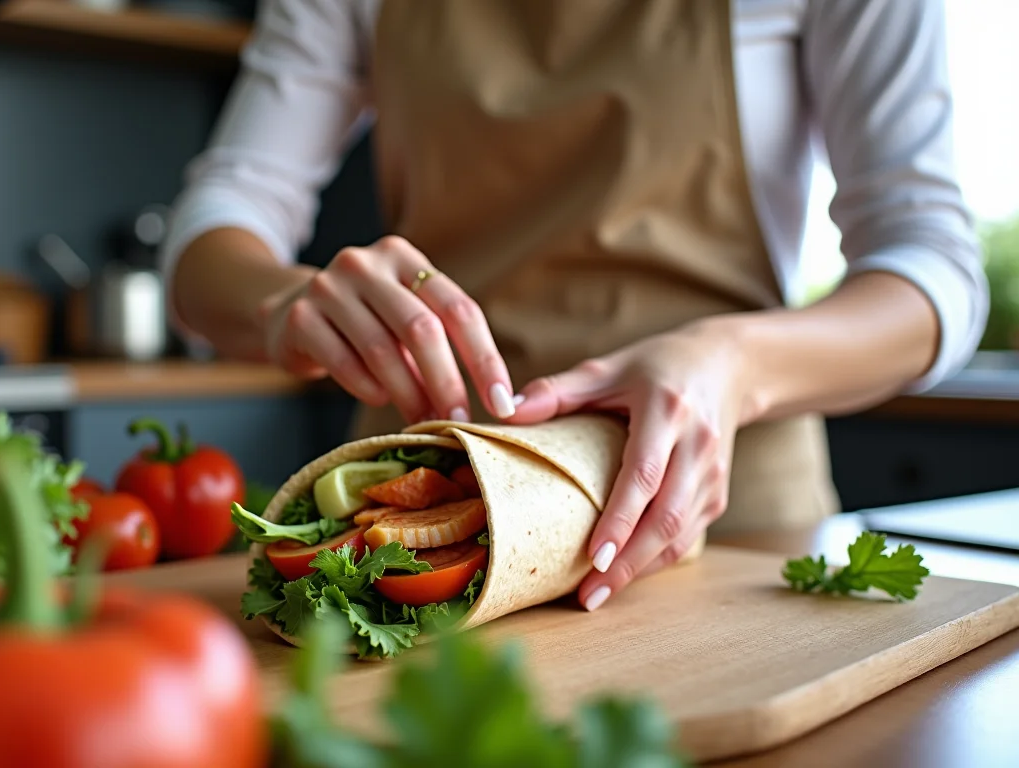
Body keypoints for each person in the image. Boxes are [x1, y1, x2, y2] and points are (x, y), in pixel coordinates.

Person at [160, 0, 988, 612]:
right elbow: (218, 224)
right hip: (422, 525)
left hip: (731, 532)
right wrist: (283, 301)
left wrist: (730, 367)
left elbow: (933, 269)